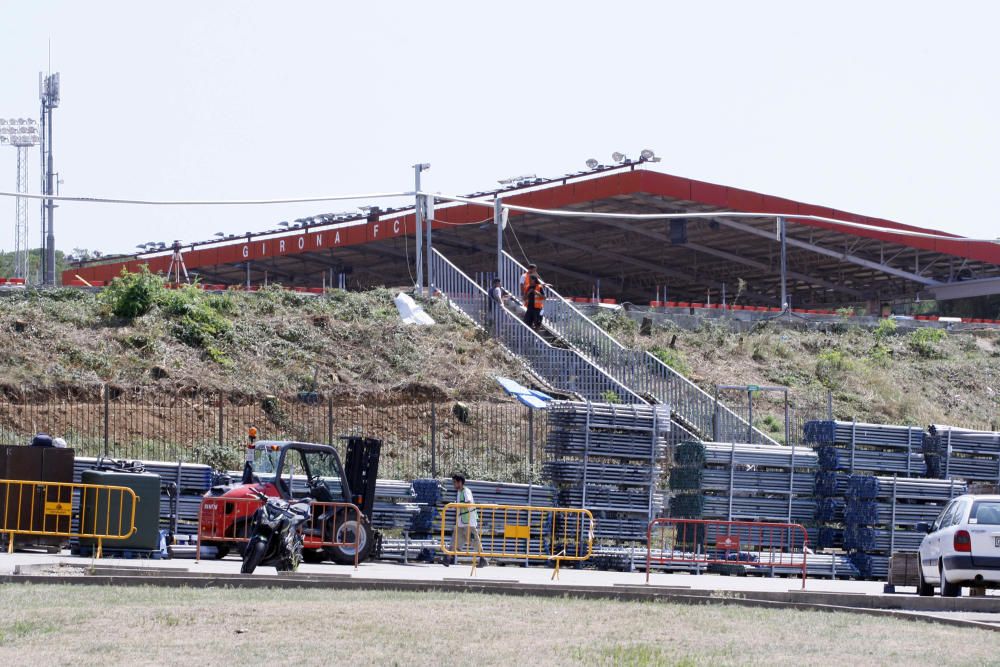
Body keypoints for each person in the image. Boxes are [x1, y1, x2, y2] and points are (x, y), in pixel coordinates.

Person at [446, 473, 488, 567]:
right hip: (461, 521)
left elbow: (468, 502)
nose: (454, 485)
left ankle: (483, 559)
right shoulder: (459, 492)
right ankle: (448, 558)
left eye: (455, 482)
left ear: (460, 482)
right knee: (454, 540)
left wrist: (457, 505)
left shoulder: (466, 491)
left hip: (469, 521)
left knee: (474, 541)